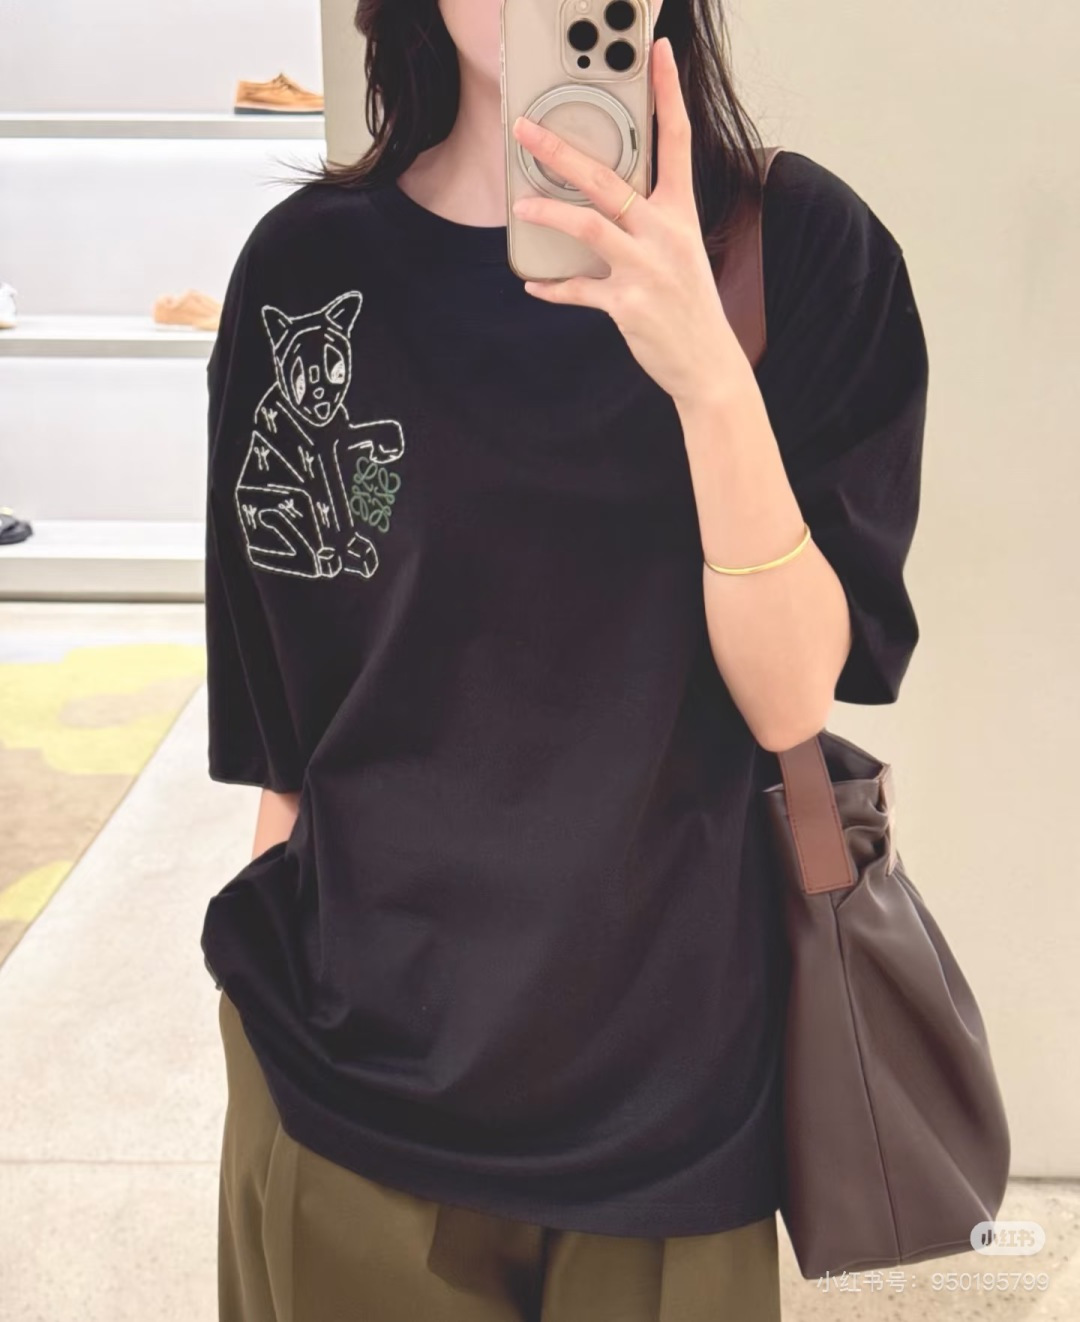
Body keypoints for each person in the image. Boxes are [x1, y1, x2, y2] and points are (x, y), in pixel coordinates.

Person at [199, 1, 928, 1318]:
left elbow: (789, 701)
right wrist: (262, 1037)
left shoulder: (801, 250)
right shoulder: (306, 273)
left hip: (673, 1116)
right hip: (344, 1095)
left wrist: (708, 376)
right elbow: (288, 737)